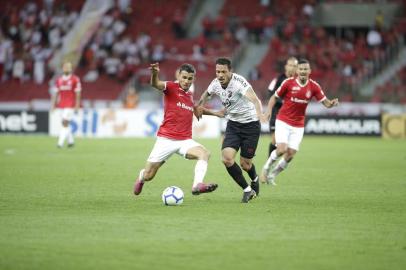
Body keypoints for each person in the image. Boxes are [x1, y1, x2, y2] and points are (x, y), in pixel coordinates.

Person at [133, 63, 218, 197]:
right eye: (184, 77)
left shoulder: (189, 96)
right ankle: (141, 177)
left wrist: (217, 113)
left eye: (190, 79)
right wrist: (155, 73)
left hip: (185, 141)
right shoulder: (171, 87)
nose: (186, 81)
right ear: (178, 76)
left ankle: (197, 185)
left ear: (193, 79)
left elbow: (196, 109)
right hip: (166, 140)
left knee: (205, 154)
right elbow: (155, 84)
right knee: (149, 175)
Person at [195, 57, 266, 203]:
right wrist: (199, 106)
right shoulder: (215, 84)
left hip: (251, 125)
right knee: (227, 159)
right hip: (233, 124)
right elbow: (205, 95)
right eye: (217, 71)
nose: (220, 75)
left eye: (223, 72)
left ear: (230, 71)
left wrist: (259, 113)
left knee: (245, 164)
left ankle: (255, 178)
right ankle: (247, 190)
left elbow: (254, 98)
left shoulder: (239, 83)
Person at [262, 59, 339, 185]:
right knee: (281, 149)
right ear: (297, 71)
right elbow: (274, 97)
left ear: (310, 71)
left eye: (305, 69)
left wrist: (332, 104)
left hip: (298, 125)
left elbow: (326, 103)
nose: (303, 71)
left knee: (290, 154)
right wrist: (269, 110)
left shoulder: (314, 86)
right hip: (283, 120)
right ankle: (266, 168)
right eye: (301, 69)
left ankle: (273, 175)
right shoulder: (288, 83)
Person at [261, 57, 298, 183]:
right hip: (277, 115)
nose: (292, 67)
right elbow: (271, 95)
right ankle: (267, 168)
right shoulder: (278, 79)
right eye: (290, 65)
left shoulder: (299, 81)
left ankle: (272, 171)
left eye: (294, 65)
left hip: (292, 118)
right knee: (276, 141)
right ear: (286, 66)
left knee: (289, 150)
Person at [51, 61, 81, 148]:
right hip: (61, 105)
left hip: (70, 105)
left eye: (68, 67)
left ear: (71, 69)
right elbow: (56, 93)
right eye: (65, 67)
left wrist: (77, 105)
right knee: (65, 123)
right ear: (62, 68)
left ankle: (59, 143)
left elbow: (78, 93)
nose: (67, 68)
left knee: (65, 123)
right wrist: (53, 105)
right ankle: (71, 142)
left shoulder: (75, 79)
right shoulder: (59, 80)